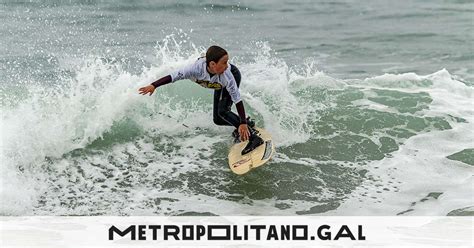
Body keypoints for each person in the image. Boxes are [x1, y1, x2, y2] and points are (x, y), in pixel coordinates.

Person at [138, 45, 263, 155]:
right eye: (224, 62)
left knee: (223, 111)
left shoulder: (228, 75)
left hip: (231, 77)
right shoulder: (195, 69)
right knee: (218, 119)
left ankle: (253, 137)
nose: (227, 65)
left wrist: (242, 123)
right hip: (218, 84)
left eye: (227, 62)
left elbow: (237, 99)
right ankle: (244, 123)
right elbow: (174, 76)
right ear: (213, 64)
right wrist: (154, 85)